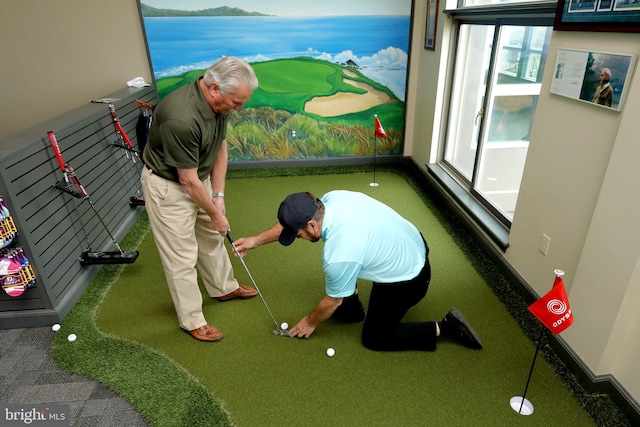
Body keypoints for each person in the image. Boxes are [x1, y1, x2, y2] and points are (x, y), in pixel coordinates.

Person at [233, 191, 483, 352]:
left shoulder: (339, 253)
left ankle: (447, 327)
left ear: (311, 224)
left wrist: (310, 322)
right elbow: (291, 224)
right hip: (410, 244)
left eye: (297, 234)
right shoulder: (330, 200)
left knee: (376, 339)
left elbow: (332, 301)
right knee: (343, 285)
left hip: (410, 279)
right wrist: (255, 240)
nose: (296, 237)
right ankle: (353, 311)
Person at [141, 56, 259, 342]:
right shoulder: (181, 117)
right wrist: (217, 214)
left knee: (211, 236)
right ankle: (192, 319)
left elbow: (219, 147)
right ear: (215, 88)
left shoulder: (221, 103)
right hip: (169, 187)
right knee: (181, 255)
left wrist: (218, 197)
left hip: (198, 178)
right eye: (236, 102)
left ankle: (223, 287)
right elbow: (186, 181)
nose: (239, 108)